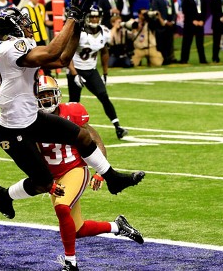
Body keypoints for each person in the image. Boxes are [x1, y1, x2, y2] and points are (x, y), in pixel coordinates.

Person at [0, 0, 144, 220]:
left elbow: (61, 60)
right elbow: (52, 52)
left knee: (82, 136)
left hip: (31, 119)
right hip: (13, 131)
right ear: (11, 29)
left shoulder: (21, 48)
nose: (27, 26)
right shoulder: (8, 48)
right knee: (44, 183)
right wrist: (71, 18)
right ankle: (5, 195)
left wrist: (77, 27)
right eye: (22, 22)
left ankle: (113, 178)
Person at [36, 75, 144, 271]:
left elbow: (96, 142)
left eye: (48, 95)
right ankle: (118, 226)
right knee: (77, 229)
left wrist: (100, 172)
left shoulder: (73, 113)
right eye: (41, 95)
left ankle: (71, 263)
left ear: (57, 95)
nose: (45, 100)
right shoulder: (31, 119)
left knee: (62, 207)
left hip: (75, 169)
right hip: (55, 176)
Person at [67, 6, 129, 140]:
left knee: (104, 96)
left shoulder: (104, 32)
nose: (94, 19)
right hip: (77, 69)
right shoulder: (80, 33)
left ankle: (118, 127)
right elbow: (67, 54)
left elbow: (104, 52)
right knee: (74, 103)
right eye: (92, 16)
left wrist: (105, 73)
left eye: (96, 16)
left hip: (91, 70)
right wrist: (74, 74)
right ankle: (69, 132)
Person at [150, 0, 177, 65]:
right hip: (160, 25)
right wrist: (164, 21)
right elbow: (156, 11)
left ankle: (169, 58)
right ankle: (162, 59)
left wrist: (172, 21)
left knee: (169, 42)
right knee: (161, 43)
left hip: (170, 24)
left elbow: (173, 10)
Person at [180, 0, 208, 64]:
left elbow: (204, 10)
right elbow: (185, 10)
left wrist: (202, 20)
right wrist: (192, 20)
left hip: (200, 24)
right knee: (187, 42)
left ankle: (202, 60)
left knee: (200, 43)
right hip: (189, 24)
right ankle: (184, 59)